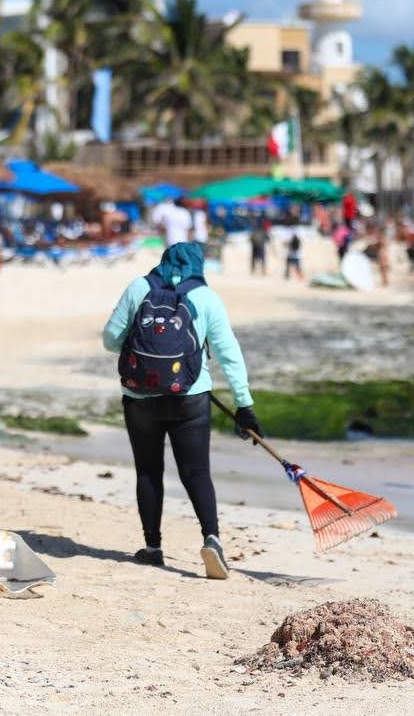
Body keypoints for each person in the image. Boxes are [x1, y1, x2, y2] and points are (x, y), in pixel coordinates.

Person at [101, 242, 261, 579]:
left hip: (139, 396)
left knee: (148, 471)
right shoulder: (206, 297)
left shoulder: (139, 287)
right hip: (191, 397)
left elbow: (110, 339)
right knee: (196, 473)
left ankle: (153, 547)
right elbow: (229, 354)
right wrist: (244, 405)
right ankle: (211, 539)